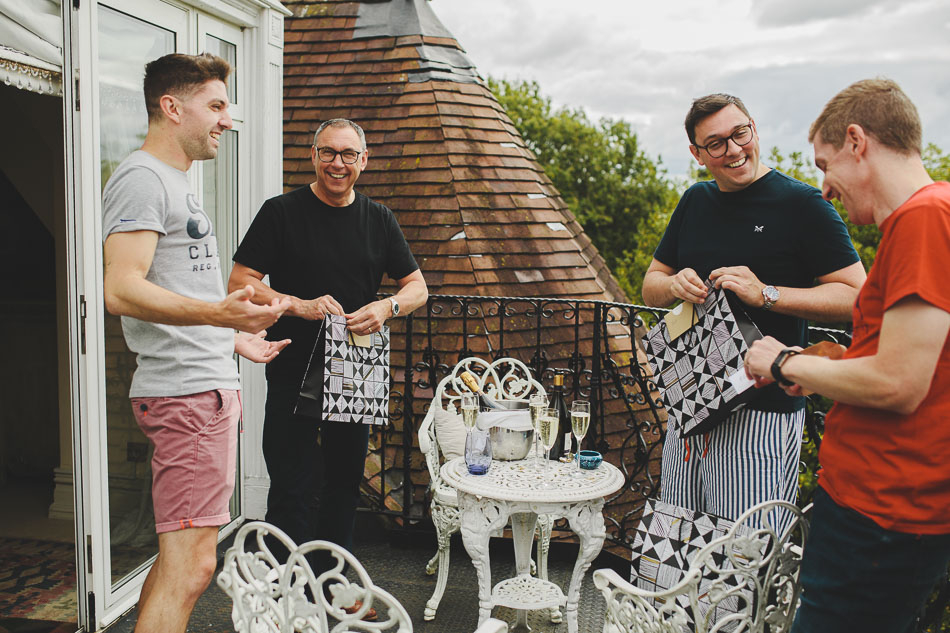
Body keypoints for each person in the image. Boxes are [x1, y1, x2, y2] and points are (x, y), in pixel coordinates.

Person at [745, 78, 950, 633]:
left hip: (881, 514)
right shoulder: (932, 214)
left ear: (857, 141)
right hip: (884, 510)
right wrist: (829, 364)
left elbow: (899, 383)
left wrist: (783, 363)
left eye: (825, 163)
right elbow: (920, 366)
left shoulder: (923, 220)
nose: (825, 186)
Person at [101, 53, 291, 633]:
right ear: (171, 106)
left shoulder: (174, 179)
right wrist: (219, 313)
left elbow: (168, 291)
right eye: (215, 106)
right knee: (192, 568)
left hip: (201, 389)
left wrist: (230, 337)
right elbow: (121, 289)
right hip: (185, 402)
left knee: (179, 561)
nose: (226, 120)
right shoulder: (140, 178)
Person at [641, 93, 866, 526]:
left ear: (754, 128)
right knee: (678, 542)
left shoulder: (804, 205)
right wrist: (673, 284)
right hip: (692, 404)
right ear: (697, 154)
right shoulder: (694, 201)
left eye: (739, 133)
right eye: (716, 143)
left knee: (745, 554)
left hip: (763, 412)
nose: (734, 150)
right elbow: (651, 285)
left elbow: (859, 296)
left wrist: (767, 293)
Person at [228, 118, 428, 571]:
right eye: (329, 153)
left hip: (354, 373)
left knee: (343, 484)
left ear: (364, 161)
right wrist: (298, 305)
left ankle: (334, 585)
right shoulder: (280, 212)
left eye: (348, 155)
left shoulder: (380, 219)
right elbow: (241, 282)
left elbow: (417, 288)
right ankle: (284, 592)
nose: (338, 164)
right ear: (313, 155)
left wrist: (386, 309)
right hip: (292, 369)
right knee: (290, 487)